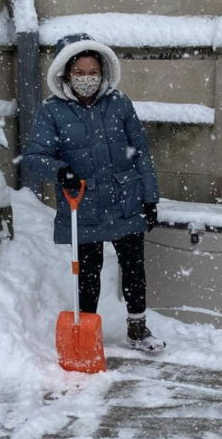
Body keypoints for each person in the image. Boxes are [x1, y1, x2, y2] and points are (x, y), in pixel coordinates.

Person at [24, 33, 165, 352]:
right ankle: (86, 333)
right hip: (83, 206)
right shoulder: (52, 111)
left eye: (92, 72)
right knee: (88, 273)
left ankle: (138, 330)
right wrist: (61, 171)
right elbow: (35, 157)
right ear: (66, 74)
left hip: (125, 200)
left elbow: (140, 151)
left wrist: (150, 197)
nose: (87, 79)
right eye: (80, 73)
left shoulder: (119, 103)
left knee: (134, 269)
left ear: (102, 72)